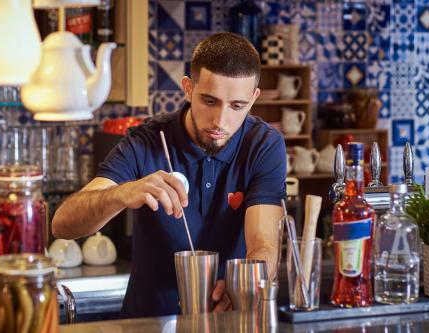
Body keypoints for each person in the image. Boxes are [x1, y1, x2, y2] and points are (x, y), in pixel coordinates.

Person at [52, 32, 287, 319]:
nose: (220, 121)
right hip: (147, 323)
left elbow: (264, 242)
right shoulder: (146, 141)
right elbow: (63, 224)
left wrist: (244, 286)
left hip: (228, 320)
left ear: (254, 98)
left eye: (237, 106)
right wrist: (122, 193)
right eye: (209, 101)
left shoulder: (264, 145)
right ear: (188, 88)